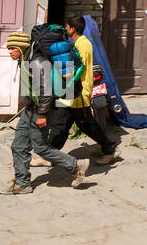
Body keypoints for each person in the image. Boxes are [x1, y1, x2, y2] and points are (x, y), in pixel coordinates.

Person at [1, 31, 88, 194]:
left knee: (40, 148)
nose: (10, 52)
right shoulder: (24, 59)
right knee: (18, 145)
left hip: (40, 110)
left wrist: (42, 115)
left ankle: (77, 166)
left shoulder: (37, 62)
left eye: (12, 48)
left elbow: (46, 91)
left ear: (21, 47)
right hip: (30, 109)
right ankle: (22, 183)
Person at [48, 16, 120, 164]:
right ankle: (49, 154)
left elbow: (77, 68)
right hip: (70, 91)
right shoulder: (76, 43)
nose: (66, 30)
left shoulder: (83, 44)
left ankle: (110, 149)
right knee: (60, 123)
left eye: (67, 27)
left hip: (78, 91)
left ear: (73, 29)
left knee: (87, 124)